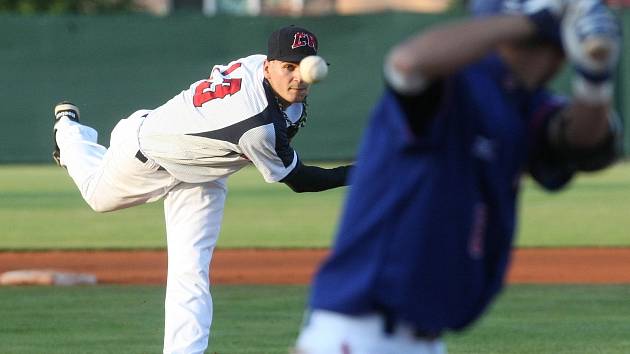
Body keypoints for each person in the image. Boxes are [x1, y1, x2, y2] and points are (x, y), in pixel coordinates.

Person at [295, 1, 622, 353]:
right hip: (361, 334)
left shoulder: (524, 103)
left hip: (422, 338)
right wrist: (539, 21)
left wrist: (595, 75)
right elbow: (406, 64)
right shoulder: (456, 85)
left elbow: (588, 146)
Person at [52, 25, 352, 354]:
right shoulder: (258, 125)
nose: (298, 76)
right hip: (148, 153)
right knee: (97, 195)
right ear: (268, 66)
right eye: (288, 67)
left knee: (191, 272)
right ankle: (69, 131)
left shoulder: (257, 68)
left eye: (303, 64)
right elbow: (300, 180)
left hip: (203, 170)